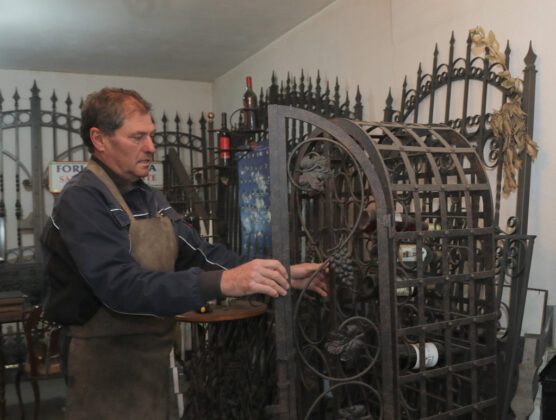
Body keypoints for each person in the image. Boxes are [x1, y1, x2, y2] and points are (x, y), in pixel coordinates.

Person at [41, 87, 327, 419]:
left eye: (151, 136)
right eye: (137, 137)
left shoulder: (148, 197)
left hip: (151, 354)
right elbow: (121, 288)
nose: (150, 147)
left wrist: (280, 274)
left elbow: (200, 252)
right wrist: (222, 283)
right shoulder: (82, 199)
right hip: (103, 361)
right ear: (99, 139)